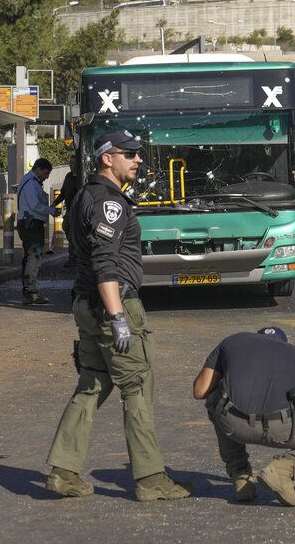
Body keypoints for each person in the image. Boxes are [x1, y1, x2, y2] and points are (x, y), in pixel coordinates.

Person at [45, 130, 190, 502]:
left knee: (92, 384)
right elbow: (103, 260)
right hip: (113, 304)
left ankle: (63, 472)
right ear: (107, 158)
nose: (138, 160)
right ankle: (151, 479)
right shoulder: (108, 203)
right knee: (137, 386)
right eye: (130, 154)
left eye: (139, 153)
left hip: (86, 304)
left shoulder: (83, 197)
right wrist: (118, 316)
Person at [192, 326, 295, 506]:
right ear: (284, 343)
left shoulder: (232, 341)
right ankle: (286, 468)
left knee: (215, 399)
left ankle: (241, 476)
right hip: (283, 430)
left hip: (234, 423)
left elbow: (199, 391)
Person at [16, 157, 57, 304]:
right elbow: (34, 205)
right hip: (31, 224)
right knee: (34, 258)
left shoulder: (28, 181)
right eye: (45, 173)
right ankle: (31, 293)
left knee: (29, 257)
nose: (46, 177)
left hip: (28, 223)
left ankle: (28, 292)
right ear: (38, 169)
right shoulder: (32, 184)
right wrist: (50, 210)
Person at [52, 154, 80, 267]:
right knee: (67, 229)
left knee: (75, 234)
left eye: (73, 163)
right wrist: (54, 203)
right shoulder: (69, 176)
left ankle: (74, 258)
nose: (70, 165)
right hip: (69, 211)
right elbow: (63, 193)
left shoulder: (81, 177)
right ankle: (74, 256)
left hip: (78, 211)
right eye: (70, 163)